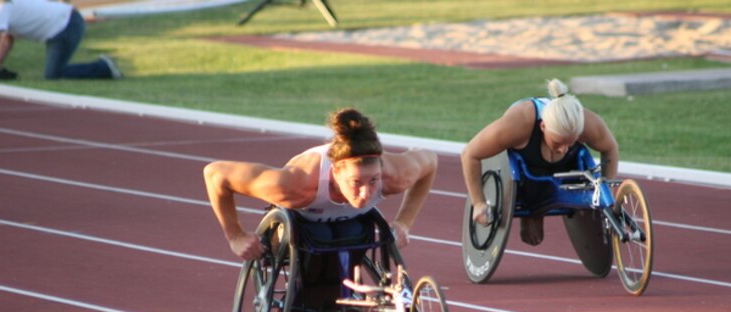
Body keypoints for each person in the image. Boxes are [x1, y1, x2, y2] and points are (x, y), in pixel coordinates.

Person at [204, 107, 438, 262]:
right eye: (356, 182)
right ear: (336, 172)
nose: (366, 192)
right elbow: (215, 174)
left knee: (351, 232)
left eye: (373, 180)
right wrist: (235, 236)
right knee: (319, 236)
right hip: (301, 219)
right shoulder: (294, 185)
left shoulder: (396, 174)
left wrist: (405, 222)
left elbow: (430, 161)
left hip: (352, 223)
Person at [460, 78, 619, 246]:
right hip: (528, 166)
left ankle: (541, 206)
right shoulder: (518, 123)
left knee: (576, 158)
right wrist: (478, 202)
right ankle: (533, 213)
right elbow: (470, 154)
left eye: (570, 142)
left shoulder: (587, 123)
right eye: (558, 143)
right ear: (543, 127)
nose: (563, 149)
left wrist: (607, 191)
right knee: (533, 177)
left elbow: (610, 148)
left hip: (566, 167)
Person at [0, 0, 122, 81]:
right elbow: (7, 39)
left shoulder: (1, 9)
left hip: (65, 26)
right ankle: (103, 66)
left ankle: (103, 67)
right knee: (55, 72)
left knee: (54, 74)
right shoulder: (5, 6)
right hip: (64, 24)